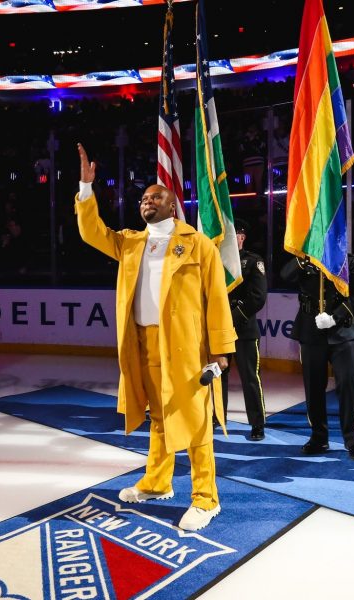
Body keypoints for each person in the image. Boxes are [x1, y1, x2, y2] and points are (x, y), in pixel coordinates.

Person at [74, 143, 236, 531]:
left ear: (173, 206)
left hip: (187, 349)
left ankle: (205, 498)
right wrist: (85, 186)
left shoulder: (197, 244)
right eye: (144, 198)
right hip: (144, 345)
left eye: (156, 197)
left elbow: (216, 298)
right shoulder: (130, 242)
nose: (147, 201)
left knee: (196, 424)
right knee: (159, 418)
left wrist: (221, 351)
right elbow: (92, 232)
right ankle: (157, 482)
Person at [280, 252, 354, 460]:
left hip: (341, 332)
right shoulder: (304, 259)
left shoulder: (346, 260)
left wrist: (335, 317)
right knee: (313, 387)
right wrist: (305, 259)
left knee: (347, 385)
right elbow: (285, 275)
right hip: (311, 331)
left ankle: (351, 438)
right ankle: (319, 437)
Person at [221, 219, 268, 441]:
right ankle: (216, 417)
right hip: (219, 328)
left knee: (250, 377)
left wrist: (232, 317)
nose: (236, 239)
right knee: (218, 375)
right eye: (232, 235)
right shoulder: (216, 261)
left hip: (244, 328)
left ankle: (257, 424)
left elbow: (258, 297)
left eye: (239, 235)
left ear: (243, 238)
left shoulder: (252, 261)